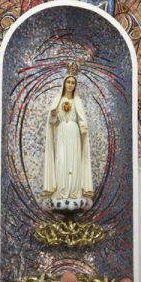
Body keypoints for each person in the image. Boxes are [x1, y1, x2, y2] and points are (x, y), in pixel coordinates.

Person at [43, 74, 93, 203]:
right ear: (64, 84)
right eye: (68, 82)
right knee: (61, 160)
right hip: (61, 132)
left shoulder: (77, 101)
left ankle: (74, 191)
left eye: (73, 83)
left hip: (73, 132)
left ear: (75, 86)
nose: (70, 85)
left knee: (74, 160)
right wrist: (53, 115)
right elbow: (52, 122)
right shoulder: (58, 100)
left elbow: (81, 118)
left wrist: (83, 126)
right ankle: (61, 190)